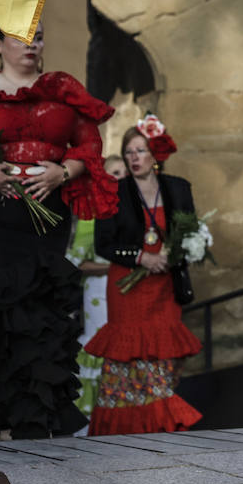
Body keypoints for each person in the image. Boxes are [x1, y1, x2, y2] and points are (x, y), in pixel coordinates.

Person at [0, 26, 117, 440]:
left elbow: (88, 147)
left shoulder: (63, 90)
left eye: (37, 36)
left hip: (44, 216)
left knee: (37, 311)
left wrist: (63, 171)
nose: (31, 44)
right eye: (19, 37)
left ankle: (33, 416)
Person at [84, 121, 202, 434]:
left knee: (162, 361)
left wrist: (178, 253)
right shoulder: (114, 191)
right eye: (128, 152)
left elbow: (191, 234)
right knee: (129, 365)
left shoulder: (178, 188)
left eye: (141, 150)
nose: (135, 158)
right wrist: (141, 257)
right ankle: (129, 433)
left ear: (155, 154)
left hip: (165, 287)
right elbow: (104, 244)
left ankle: (161, 430)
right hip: (128, 289)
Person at [67, 158, 117, 431]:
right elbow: (76, 261)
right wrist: (114, 267)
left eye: (121, 174)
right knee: (98, 348)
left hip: (126, 293)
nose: (118, 181)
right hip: (98, 292)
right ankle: (90, 423)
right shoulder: (90, 216)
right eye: (113, 175)